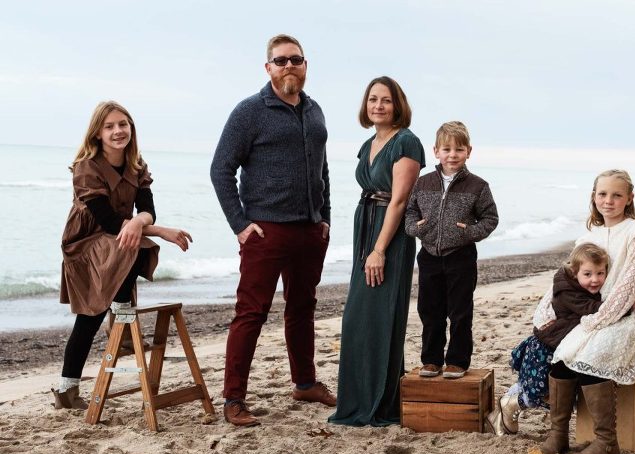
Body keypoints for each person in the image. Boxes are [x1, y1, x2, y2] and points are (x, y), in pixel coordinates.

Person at [210, 34, 334, 427]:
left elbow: (322, 170)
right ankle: (233, 399)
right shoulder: (249, 111)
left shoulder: (315, 112)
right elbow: (221, 169)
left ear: (305, 65)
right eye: (280, 61)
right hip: (265, 232)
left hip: (309, 231)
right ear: (268, 68)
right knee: (251, 313)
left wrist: (325, 216)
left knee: (303, 309)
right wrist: (241, 224)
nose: (289, 66)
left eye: (296, 60)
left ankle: (305, 383)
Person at [53, 100, 193, 409]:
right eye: (110, 126)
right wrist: (161, 231)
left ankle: (120, 308)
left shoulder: (136, 164)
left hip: (118, 241)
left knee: (134, 242)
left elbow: (147, 210)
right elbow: (109, 222)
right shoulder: (87, 167)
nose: (118, 131)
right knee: (90, 315)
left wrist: (144, 222)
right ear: (98, 134)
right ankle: (67, 389)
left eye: (123, 125)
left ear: (131, 129)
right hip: (86, 243)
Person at [537, 169, 635, 454]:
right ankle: (558, 435)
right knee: (562, 356)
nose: (609, 200)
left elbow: (628, 283)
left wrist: (605, 317)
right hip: (589, 314)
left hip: (626, 313)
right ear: (594, 197)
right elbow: (570, 279)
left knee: (593, 354)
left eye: (617, 195)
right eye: (602, 194)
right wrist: (545, 313)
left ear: (629, 198)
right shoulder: (587, 237)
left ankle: (606, 444)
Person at [329, 77, 426, 426]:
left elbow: (399, 201)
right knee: (359, 317)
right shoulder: (368, 143)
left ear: (398, 105)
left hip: (389, 235)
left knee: (380, 316)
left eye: (386, 100)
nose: (378, 106)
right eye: (372, 99)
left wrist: (380, 250)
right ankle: (360, 399)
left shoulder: (407, 142)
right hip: (365, 226)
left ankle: (379, 404)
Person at [404, 121, 498, 380]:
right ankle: (432, 360)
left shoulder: (477, 186)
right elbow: (410, 211)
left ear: (469, 151)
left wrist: (468, 232)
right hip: (429, 256)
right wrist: (416, 227)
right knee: (430, 310)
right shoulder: (423, 183)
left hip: (461, 256)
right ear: (436, 151)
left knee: (460, 311)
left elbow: (490, 219)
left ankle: (457, 361)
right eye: (447, 149)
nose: (452, 155)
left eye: (459, 149)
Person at [486, 242, 612, 434]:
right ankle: (511, 404)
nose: (594, 280)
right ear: (574, 272)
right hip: (547, 348)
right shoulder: (568, 292)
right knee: (543, 391)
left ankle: (508, 405)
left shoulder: (584, 288)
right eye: (587, 274)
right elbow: (591, 309)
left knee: (544, 389)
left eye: (600, 274)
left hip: (560, 345)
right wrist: (626, 305)